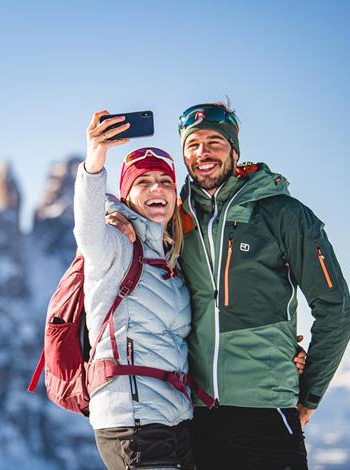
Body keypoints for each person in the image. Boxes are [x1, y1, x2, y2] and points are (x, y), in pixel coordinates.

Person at [106, 102, 350, 469]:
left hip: (267, 411)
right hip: (197, 417)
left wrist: (309, 395)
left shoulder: (282, 213)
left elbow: (336, 307)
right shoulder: (176, 216)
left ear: (234, 150)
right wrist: (117, 218)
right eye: (193, 144)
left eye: (214, 142)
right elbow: (136, 215)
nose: (202, 152)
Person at [75, 111, 196, 469]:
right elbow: (88, 230)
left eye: (165, 182)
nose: (157, 189)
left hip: (176, 418)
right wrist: (95, 158)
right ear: (126, 194)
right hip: (132, 422)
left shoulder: (171, 259)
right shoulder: (115, 245)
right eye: (144, 182)